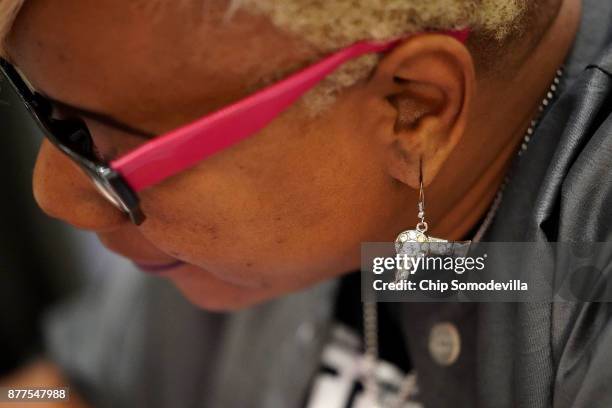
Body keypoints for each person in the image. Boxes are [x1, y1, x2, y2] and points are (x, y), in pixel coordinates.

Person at [1, 0, 611, 406]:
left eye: (101, 150)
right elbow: (64, 387)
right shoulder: (221, 244)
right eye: (52, 119)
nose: (55, 196)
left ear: (414, 111)